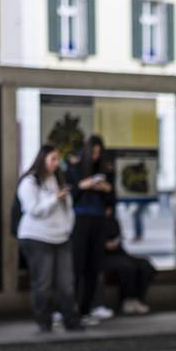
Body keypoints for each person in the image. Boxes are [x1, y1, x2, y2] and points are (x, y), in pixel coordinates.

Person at [16, 144, 81, 333]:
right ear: (42, 159)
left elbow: (69, 208)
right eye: (52, 159)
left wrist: (68, 227)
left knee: (66, 282)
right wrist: (53, 198)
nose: (56, 163)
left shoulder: (59, 179)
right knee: (43, 283)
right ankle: (44, 321)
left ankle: (71, 320)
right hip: (37, 237)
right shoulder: (30, 182)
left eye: (57, 159)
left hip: (61, 237)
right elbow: (34, 210)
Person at [67, 135, 116, 325]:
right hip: (80, 220)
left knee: (93, 267)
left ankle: (86, 310)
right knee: (77, 266)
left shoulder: (106, 170)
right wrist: (82, 185)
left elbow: (112, 202)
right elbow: (70, 195)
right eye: (93, 153)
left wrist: (106, 189)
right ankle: (71, 309)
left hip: (98, 220)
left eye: (99, 153)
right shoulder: (76, 169)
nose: (96, 156)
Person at [103, 215, 156, 316]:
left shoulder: (113, 220)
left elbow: (119, 238)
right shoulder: (93, 220)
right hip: (104, 256)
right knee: (127, 266)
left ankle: (137, 299)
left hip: (119, 253)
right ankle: (127, 299)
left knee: (145, 265)